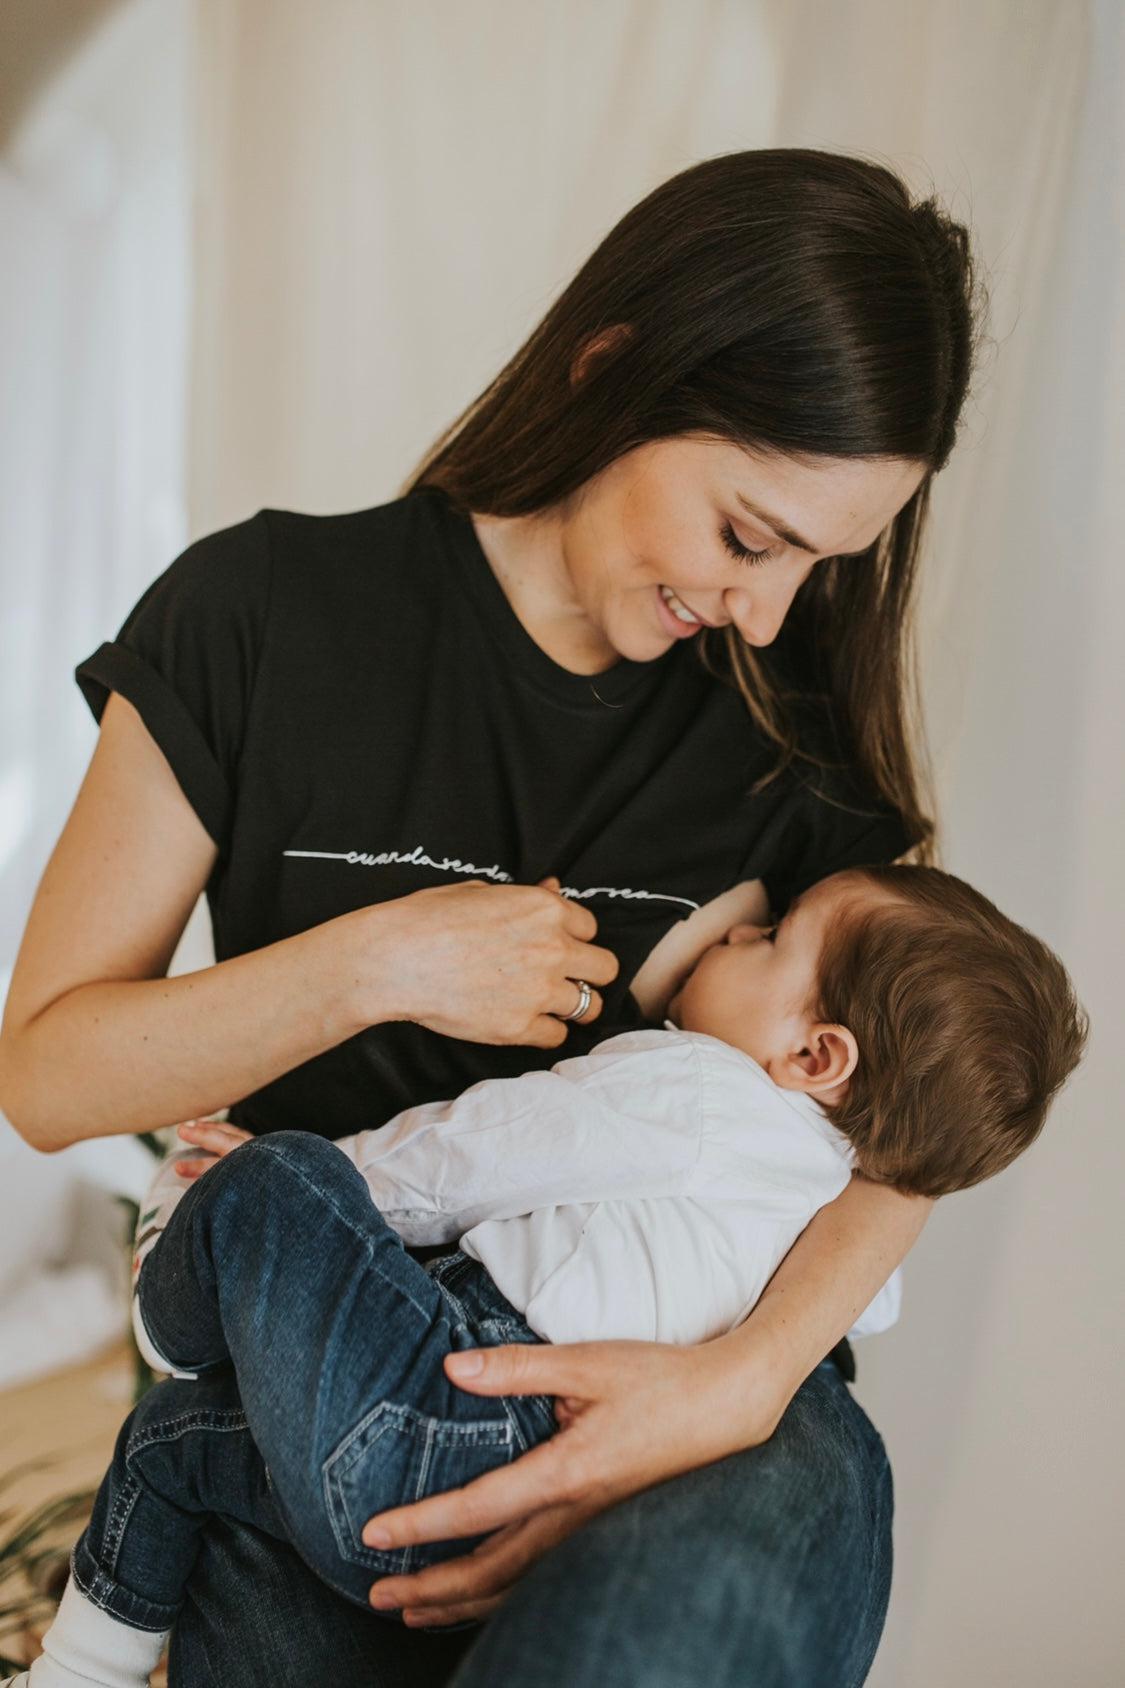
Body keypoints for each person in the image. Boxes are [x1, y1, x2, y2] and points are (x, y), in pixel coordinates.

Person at [0, 149, 989, 1685]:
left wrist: (739, 1385)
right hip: (325, 1398)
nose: (771, 614)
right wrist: (379, 959)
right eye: (746, 537)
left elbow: (915, 1120)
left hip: (697, 1429)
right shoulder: (262, 614)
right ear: (615, 370)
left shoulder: (791, 740)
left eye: (821, 565)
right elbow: (50, 1074)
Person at [9, 864, 1087, 1688]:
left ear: (817, 1055)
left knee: (280, 1172)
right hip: (499, 1509)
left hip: (435, 1413)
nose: (741, 931)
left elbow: (475, 1151)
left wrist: (315, 1193)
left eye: (769, 939)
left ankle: (169, 1288)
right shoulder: (823, 1200)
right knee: (178, 1441)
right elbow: (867, 1299)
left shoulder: (699, 1087)